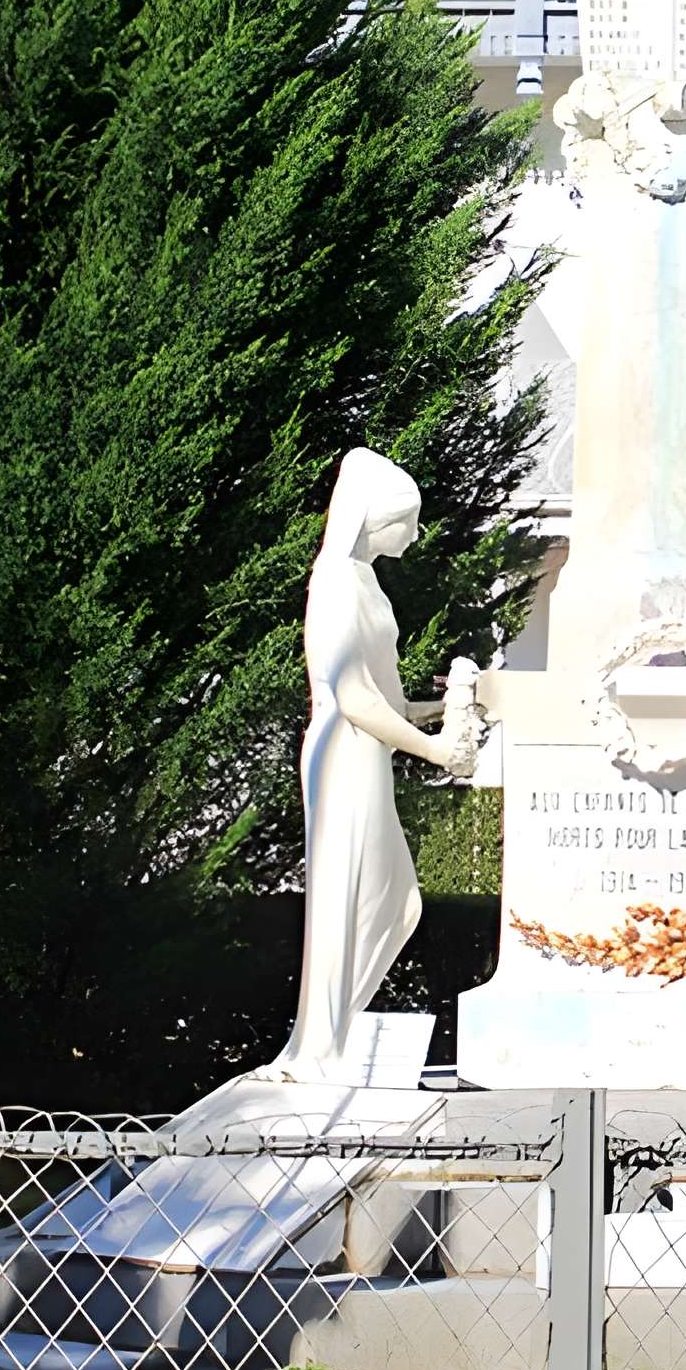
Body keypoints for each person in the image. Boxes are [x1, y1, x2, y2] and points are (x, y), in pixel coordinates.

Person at [264, 448, 477, 1083]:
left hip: (368, 758)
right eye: (404, 522)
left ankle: (326, 1041)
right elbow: (353, 698)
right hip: (342, 760)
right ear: (368, 520)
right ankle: (315, 1052)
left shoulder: (363, 581)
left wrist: (448, 707)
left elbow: (385, 698)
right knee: (346, 900)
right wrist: (437, 750)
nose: (413, 535)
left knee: (396, 902)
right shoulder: (333, 581)